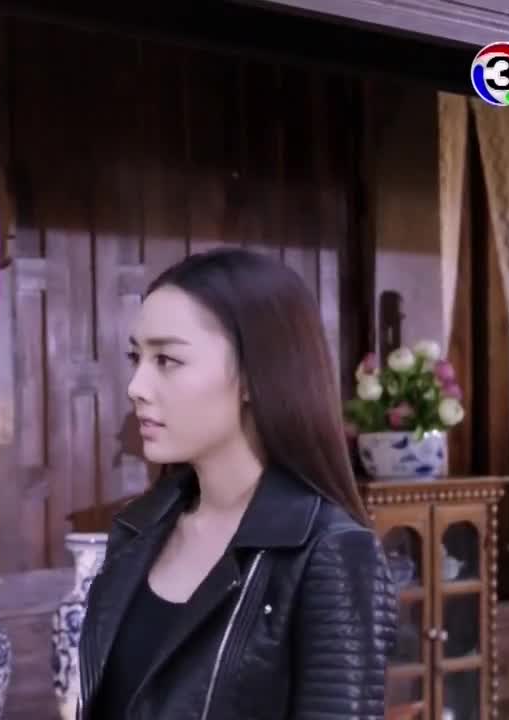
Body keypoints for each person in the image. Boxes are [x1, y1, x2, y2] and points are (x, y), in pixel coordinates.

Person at [78, 247, 398, 719]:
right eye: (135, 357)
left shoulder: (330, 553)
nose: (136, 387)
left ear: (252, 375)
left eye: (166, 359)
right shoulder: (137, 530)